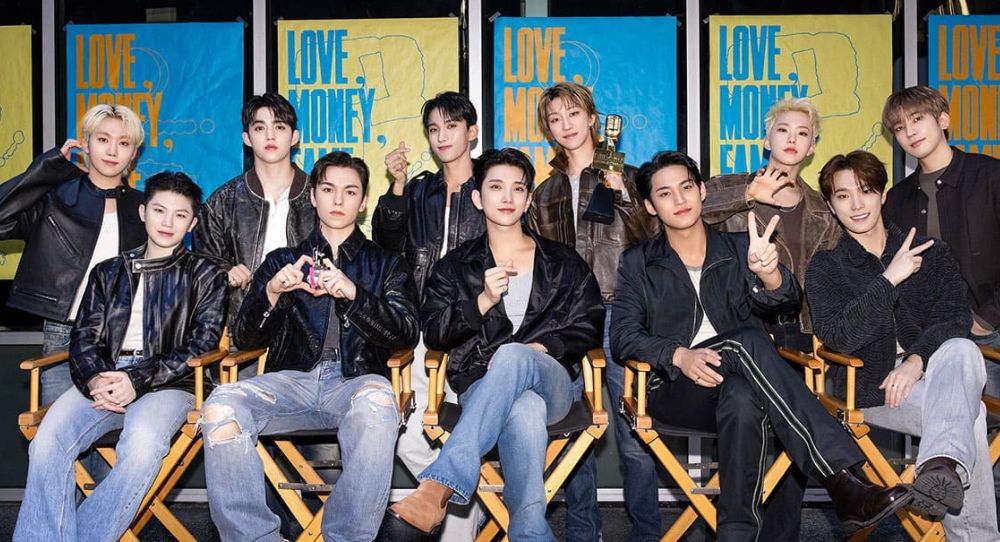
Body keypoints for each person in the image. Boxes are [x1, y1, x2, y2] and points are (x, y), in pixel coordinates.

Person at [612, 150, 911, 540]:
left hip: (748, 386)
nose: (680, 199)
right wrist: (678, 355)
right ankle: (841, 478)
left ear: (702, 191)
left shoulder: (741, 248)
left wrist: (769, 275)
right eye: (665, 194)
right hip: (676, 390)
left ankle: (736, 535)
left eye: (686, 187)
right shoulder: (638, 262)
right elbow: (623, 336)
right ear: (651, 206)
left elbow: (786, 302)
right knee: (747, 342)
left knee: (741, 395)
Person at [386, 147, 605, 540]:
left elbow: (589, 322)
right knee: (523, 409)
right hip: (481, 386)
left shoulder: (562, 261)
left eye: (517, 189)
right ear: (477, 198)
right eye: (496, 187)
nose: (507, 197)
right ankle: (530, 533)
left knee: (513, 357)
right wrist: (482, 302)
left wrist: (542, 349)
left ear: (528, 198)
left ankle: (439, 485)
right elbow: (434, 332)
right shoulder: (454, 266)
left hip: (552, 383)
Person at [200, 151, 419, 542]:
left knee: (379, 404)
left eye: (350, 192)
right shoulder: (282, 261)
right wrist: (271, 292)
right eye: (328, 190)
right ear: (314, 197)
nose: (338, 200)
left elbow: (406, 333)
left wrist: (354, 294)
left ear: (363, 202)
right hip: (291, 382)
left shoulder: (386, 264)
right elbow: (245, 340)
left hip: (356, 382)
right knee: (220, 404)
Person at [13, 172, 227, 542]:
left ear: (192, 223)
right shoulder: (108, 271)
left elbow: (202, 344)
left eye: (180, 215)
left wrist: (136, 379)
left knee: (142, 446)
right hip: (106, 378)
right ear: (143, 212)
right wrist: (96, 377)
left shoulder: (206, 274)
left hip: (170, 385)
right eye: (159, 210)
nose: (167, 222)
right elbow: (84, 337)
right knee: (48, 441)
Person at [806, 150, 1000, 541]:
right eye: (843, 195)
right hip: (871, 387)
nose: (857, 204)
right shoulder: (825, 267)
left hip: (934, 374)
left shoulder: (932, 252)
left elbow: (955, 318)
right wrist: (888, 279)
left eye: (865, 190)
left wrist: (916, 360)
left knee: (963, 349)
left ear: (882, 194)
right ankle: (948, 480)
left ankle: (939, 467)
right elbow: (840, 336)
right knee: (972, 415)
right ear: (830, 204)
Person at [529, 81, 659, 541]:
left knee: (634, 430)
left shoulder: (629, 175)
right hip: (568, 321)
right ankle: (584, 532)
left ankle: (647, 532)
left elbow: (654, 238)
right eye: (555, 119)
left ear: (592, 118)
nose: (565, 125)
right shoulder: (543, 192)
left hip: (622, 313)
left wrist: (622, 192)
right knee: (571, 431)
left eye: (572, 114)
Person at [372, 90, 485, 539]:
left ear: (472, 132)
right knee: (405, 428)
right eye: (434, 129)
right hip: (421, 323)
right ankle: (459, 496)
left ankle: (453, 513)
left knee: (471, 424)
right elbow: (385, 245)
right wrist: (397, 187)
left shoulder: (493, 185)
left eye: (451, 126)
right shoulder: (419, 189)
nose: (442, 136)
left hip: (479, 325)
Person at [0, 104, 147, 404]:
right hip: (62, 333)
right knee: (56, 428)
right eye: (103, 139)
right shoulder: (55, 198)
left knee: (114, 431)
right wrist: (44, 170)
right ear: (86, 144)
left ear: (134, 153)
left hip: (121, 337)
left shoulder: (144, 207)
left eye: (123, 143)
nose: (112, 151)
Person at [881, 85, 1000, 396]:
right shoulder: (896, 199)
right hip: (929, 341)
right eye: (899, 127)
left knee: (989, 419)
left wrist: (986, 319)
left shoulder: (990, 176)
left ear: (943, 120)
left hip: (991, 332)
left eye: (917, 119)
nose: (909, 132)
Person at [702, 97, 840, 354]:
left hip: (800, 332)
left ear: (811, 147)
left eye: (802, 133)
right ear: (767, 141)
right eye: (783, 130)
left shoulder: (823, 211)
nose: (792, 139)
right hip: (741, 325)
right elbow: (688, 214)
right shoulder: (729, 187)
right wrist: (748, 194)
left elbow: (829, 280)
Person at [194, 92, 316, 328]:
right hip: (242, 328)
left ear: (294, 137)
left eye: (279, 127)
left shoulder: (319, 196)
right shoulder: (223, 201)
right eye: (260, 128)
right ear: (247, 138)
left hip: (307, 328)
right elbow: (201, 269)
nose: (270, 135)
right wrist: (226, 273)